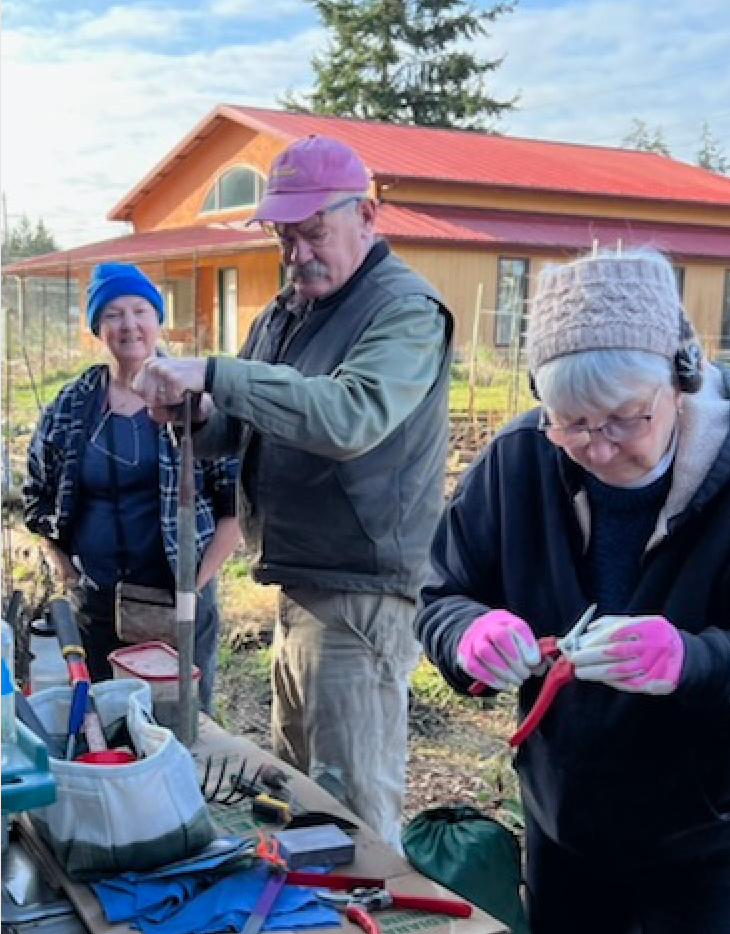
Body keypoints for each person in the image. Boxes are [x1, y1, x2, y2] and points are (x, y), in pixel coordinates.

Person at [131, 134, 454, 848]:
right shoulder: (285, 312)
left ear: (367, 215)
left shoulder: (404, 310)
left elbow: (348, 415)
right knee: (301, 794)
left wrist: (215, 373)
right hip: (300, 586)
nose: (296, 252)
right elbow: (240, 421)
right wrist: (196, 414)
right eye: (284, 235)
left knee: (356, 815)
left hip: (360, 595)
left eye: (314, 232)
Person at [415, 248, 730, 933]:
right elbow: (440, 593)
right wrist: (468, 634)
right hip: (564, 827)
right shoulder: (519, 458)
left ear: (679, 380)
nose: (599, 447)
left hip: (707, 844)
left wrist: (693, 660)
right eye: (572, 423)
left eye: (624, 419)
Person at [23, 262, 240, 713]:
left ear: (157, 319)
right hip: (97, 603)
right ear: (97, 328)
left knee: (177, 723)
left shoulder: (194, 400)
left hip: (176, 601)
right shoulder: (71, 405)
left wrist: (194, 586)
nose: (129, 325)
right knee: (103, 717)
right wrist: (65, 568)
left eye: (140, 310)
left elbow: (235, 504)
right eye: (113, 313)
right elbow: (37, 496)